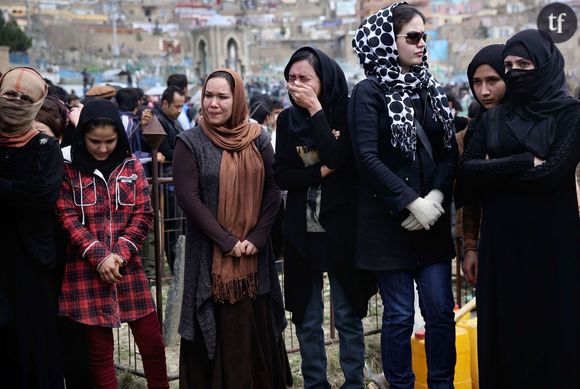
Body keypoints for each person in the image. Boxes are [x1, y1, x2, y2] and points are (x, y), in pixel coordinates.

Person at [459, 29, 580, 388]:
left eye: (523, 64)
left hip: (553, 240)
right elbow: (466, 174)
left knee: (554, 329)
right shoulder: (493, 118)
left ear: (543, 65)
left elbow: (553, 176)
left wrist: (493, 174)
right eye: (509, 65)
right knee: (507, 331)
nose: (515, 72)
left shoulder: (569, 113)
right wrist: (525, 160)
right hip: (503, 243)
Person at [350, 4, 458, 388]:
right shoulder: (367, 93)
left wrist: (435, 197)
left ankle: (442, 383)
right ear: (386, 41)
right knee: (397, 315)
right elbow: (366, 156)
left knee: (441, 312)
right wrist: (410, 202)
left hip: (431, 222)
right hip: (388, 225)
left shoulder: (430, 88)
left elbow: (448, 152)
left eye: (424, 36)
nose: (421, 43)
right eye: (412, 36)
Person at [173, 68, 291, 389]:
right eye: (208, 95)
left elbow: (273, 188)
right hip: (211, 259)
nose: (213, 103)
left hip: (254, 258)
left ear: (236, 99)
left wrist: (256, 237)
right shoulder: (190, 142)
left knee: (255, 326)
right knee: (215, 326)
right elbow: (189, 198)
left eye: (222, 96)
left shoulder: (258, 139)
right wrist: (226, 241)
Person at [274, 47, 375, 389]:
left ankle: (353, 382)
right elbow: (284, 175)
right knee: (307, 316)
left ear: (324, 79)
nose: (296, 85)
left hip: (340, 227)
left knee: (348, 315)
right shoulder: (287, 121)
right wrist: (322, 171)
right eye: (291, 78)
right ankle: (315, 382)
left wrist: (317, 111)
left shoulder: (345, 112)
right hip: (302, 230)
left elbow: (340, 157)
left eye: (304, 78)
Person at [56, 99, 169, 389]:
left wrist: (119, 253)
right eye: (95, 141)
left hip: (126, 267)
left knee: (152, 343)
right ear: (82, 137)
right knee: (99, 352)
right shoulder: (68, 168)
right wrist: (98, 256)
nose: (103, 148)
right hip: (87, 270)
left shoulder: (130, 165)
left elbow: (143, 212)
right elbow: (66, 215)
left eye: (109, 141)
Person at [0, 67, 65, 388]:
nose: (15, 101)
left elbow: (41, 196)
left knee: (32, 340)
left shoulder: (44, 147)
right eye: (10, 94)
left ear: (38, 103)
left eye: (25, 98)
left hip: (32, 261)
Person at [456, 44, 507, 285]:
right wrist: (470, 248)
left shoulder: (536, 126)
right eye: (477, 82)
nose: (484, 91)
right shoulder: (471, 135)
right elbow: (470, 198)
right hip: (490, 240)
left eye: (493, 80)